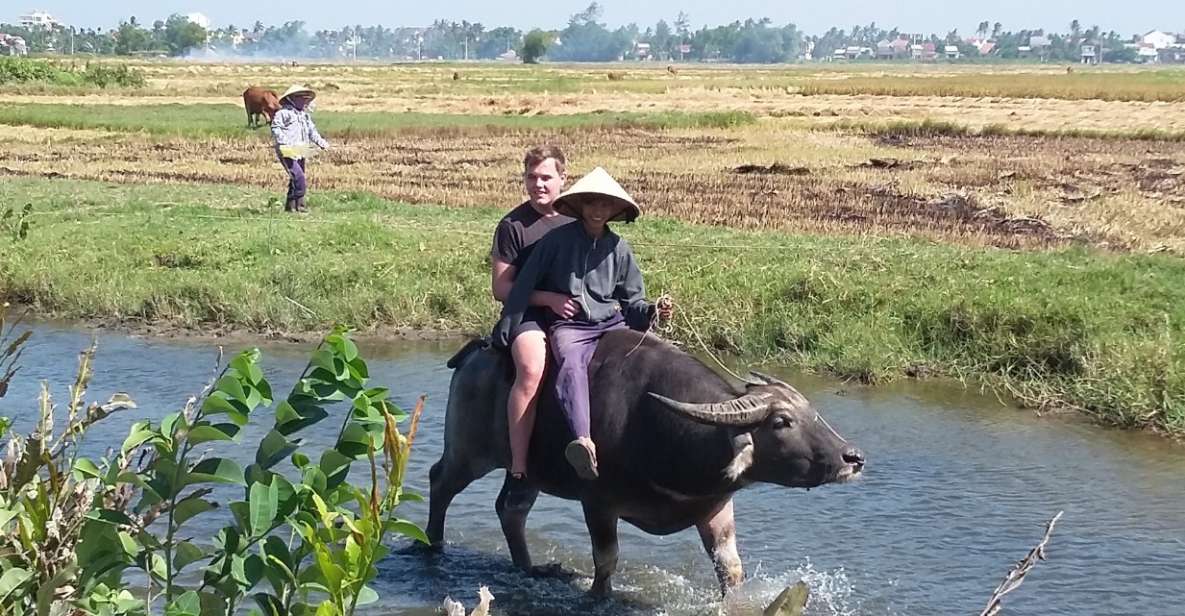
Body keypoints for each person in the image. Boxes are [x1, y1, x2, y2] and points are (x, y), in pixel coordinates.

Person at [494, 167, 672, 481]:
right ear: (580, 207)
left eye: (605, 205)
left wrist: (653, 311)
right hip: (571, 327)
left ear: (615, 210)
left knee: (652, 359)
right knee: (571, 366)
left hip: (611, 322)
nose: (598, 211)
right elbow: (523, 284)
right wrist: (509, 325)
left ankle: (653, 442)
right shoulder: (555, 242)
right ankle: (583, 440)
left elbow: (633, 302)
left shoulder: (620, 249)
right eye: (591, 203)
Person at [491, 146, 575, 509]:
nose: (538, 184)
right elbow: (501, 288)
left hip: (574, 312)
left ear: (563, 179)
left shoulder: (577, 219)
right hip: (527, 312)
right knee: (531, 369)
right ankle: (519, 467)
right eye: (531, 177)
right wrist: (548, 300)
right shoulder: (513, 225)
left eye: (546, 177)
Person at [271, 84, 329, 213]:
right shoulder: (283, 113)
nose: (304, 101)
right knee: (299, 177)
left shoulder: (304, 116)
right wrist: (284, 142)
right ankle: (300, 206)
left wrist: (321, 143)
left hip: (302, 149)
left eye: (306, 98)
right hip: (287, 149)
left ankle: (291, 207)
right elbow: (276, 128)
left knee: (296, 177)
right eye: (301, 98)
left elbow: (312, 131)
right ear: (292, 98)